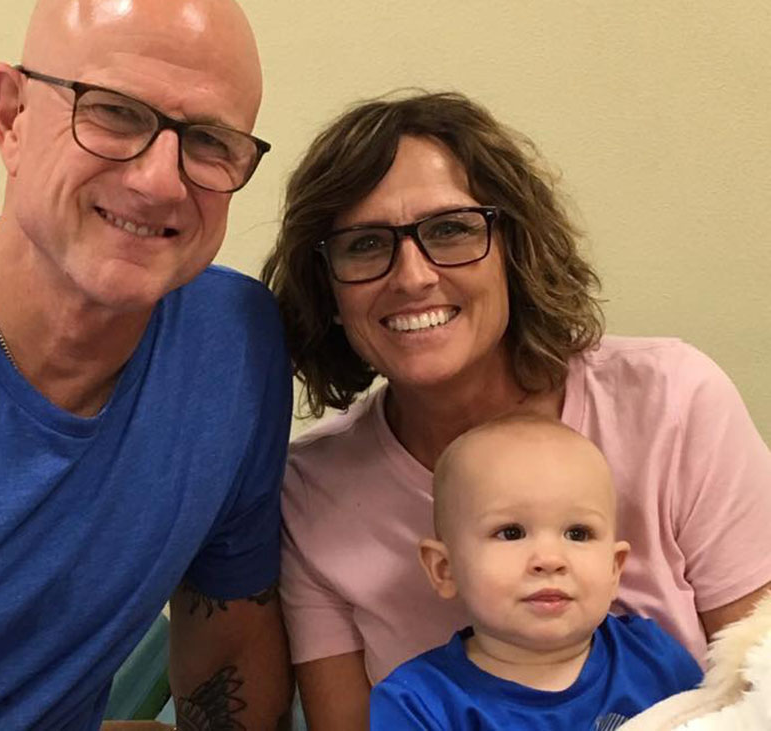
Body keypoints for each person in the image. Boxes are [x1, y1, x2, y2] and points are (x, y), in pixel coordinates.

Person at [260, 91, 771, 730]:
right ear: (327, 289)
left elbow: (759, 684)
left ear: (514, 250)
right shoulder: (310, 493)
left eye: (450, 229)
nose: (413, 276)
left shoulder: (674, 402)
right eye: (364, 244)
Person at [0, 1, 293, 729]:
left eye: (209, 141)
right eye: (112, 113)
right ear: (12, 118)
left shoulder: (234, 349)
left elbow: (228, 645)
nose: (160, 181)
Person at [370, 415, 703, 729]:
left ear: (614, 568)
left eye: (578, 534)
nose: (549, 559)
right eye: (511, 532)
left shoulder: (655, 659)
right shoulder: (417, 703)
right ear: (445, 569)